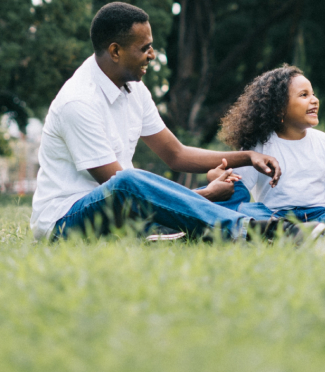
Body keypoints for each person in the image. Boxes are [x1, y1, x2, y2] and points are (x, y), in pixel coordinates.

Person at [30, 2, 306, 242]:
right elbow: (121, 190)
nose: (152, 54)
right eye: (145, 48)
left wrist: (247, 157)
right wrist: (204, 195)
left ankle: (289, 223)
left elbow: (176, 155)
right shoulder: (78, 102)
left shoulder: (134, 89)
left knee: (232, 192)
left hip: (123, 209)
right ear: (115, 51)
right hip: (66, 220)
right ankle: (247, 230)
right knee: (128, 180)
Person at [212, 65, 325, 232]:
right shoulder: (259, 145)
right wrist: (220, 177)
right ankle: (299, 231)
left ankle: (303, 231)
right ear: (279, 108)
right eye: (304, 95)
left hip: (320, 214)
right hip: (275, 216)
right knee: (246, 210)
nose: (314, 100)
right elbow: (239, 188)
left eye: (313, 94)